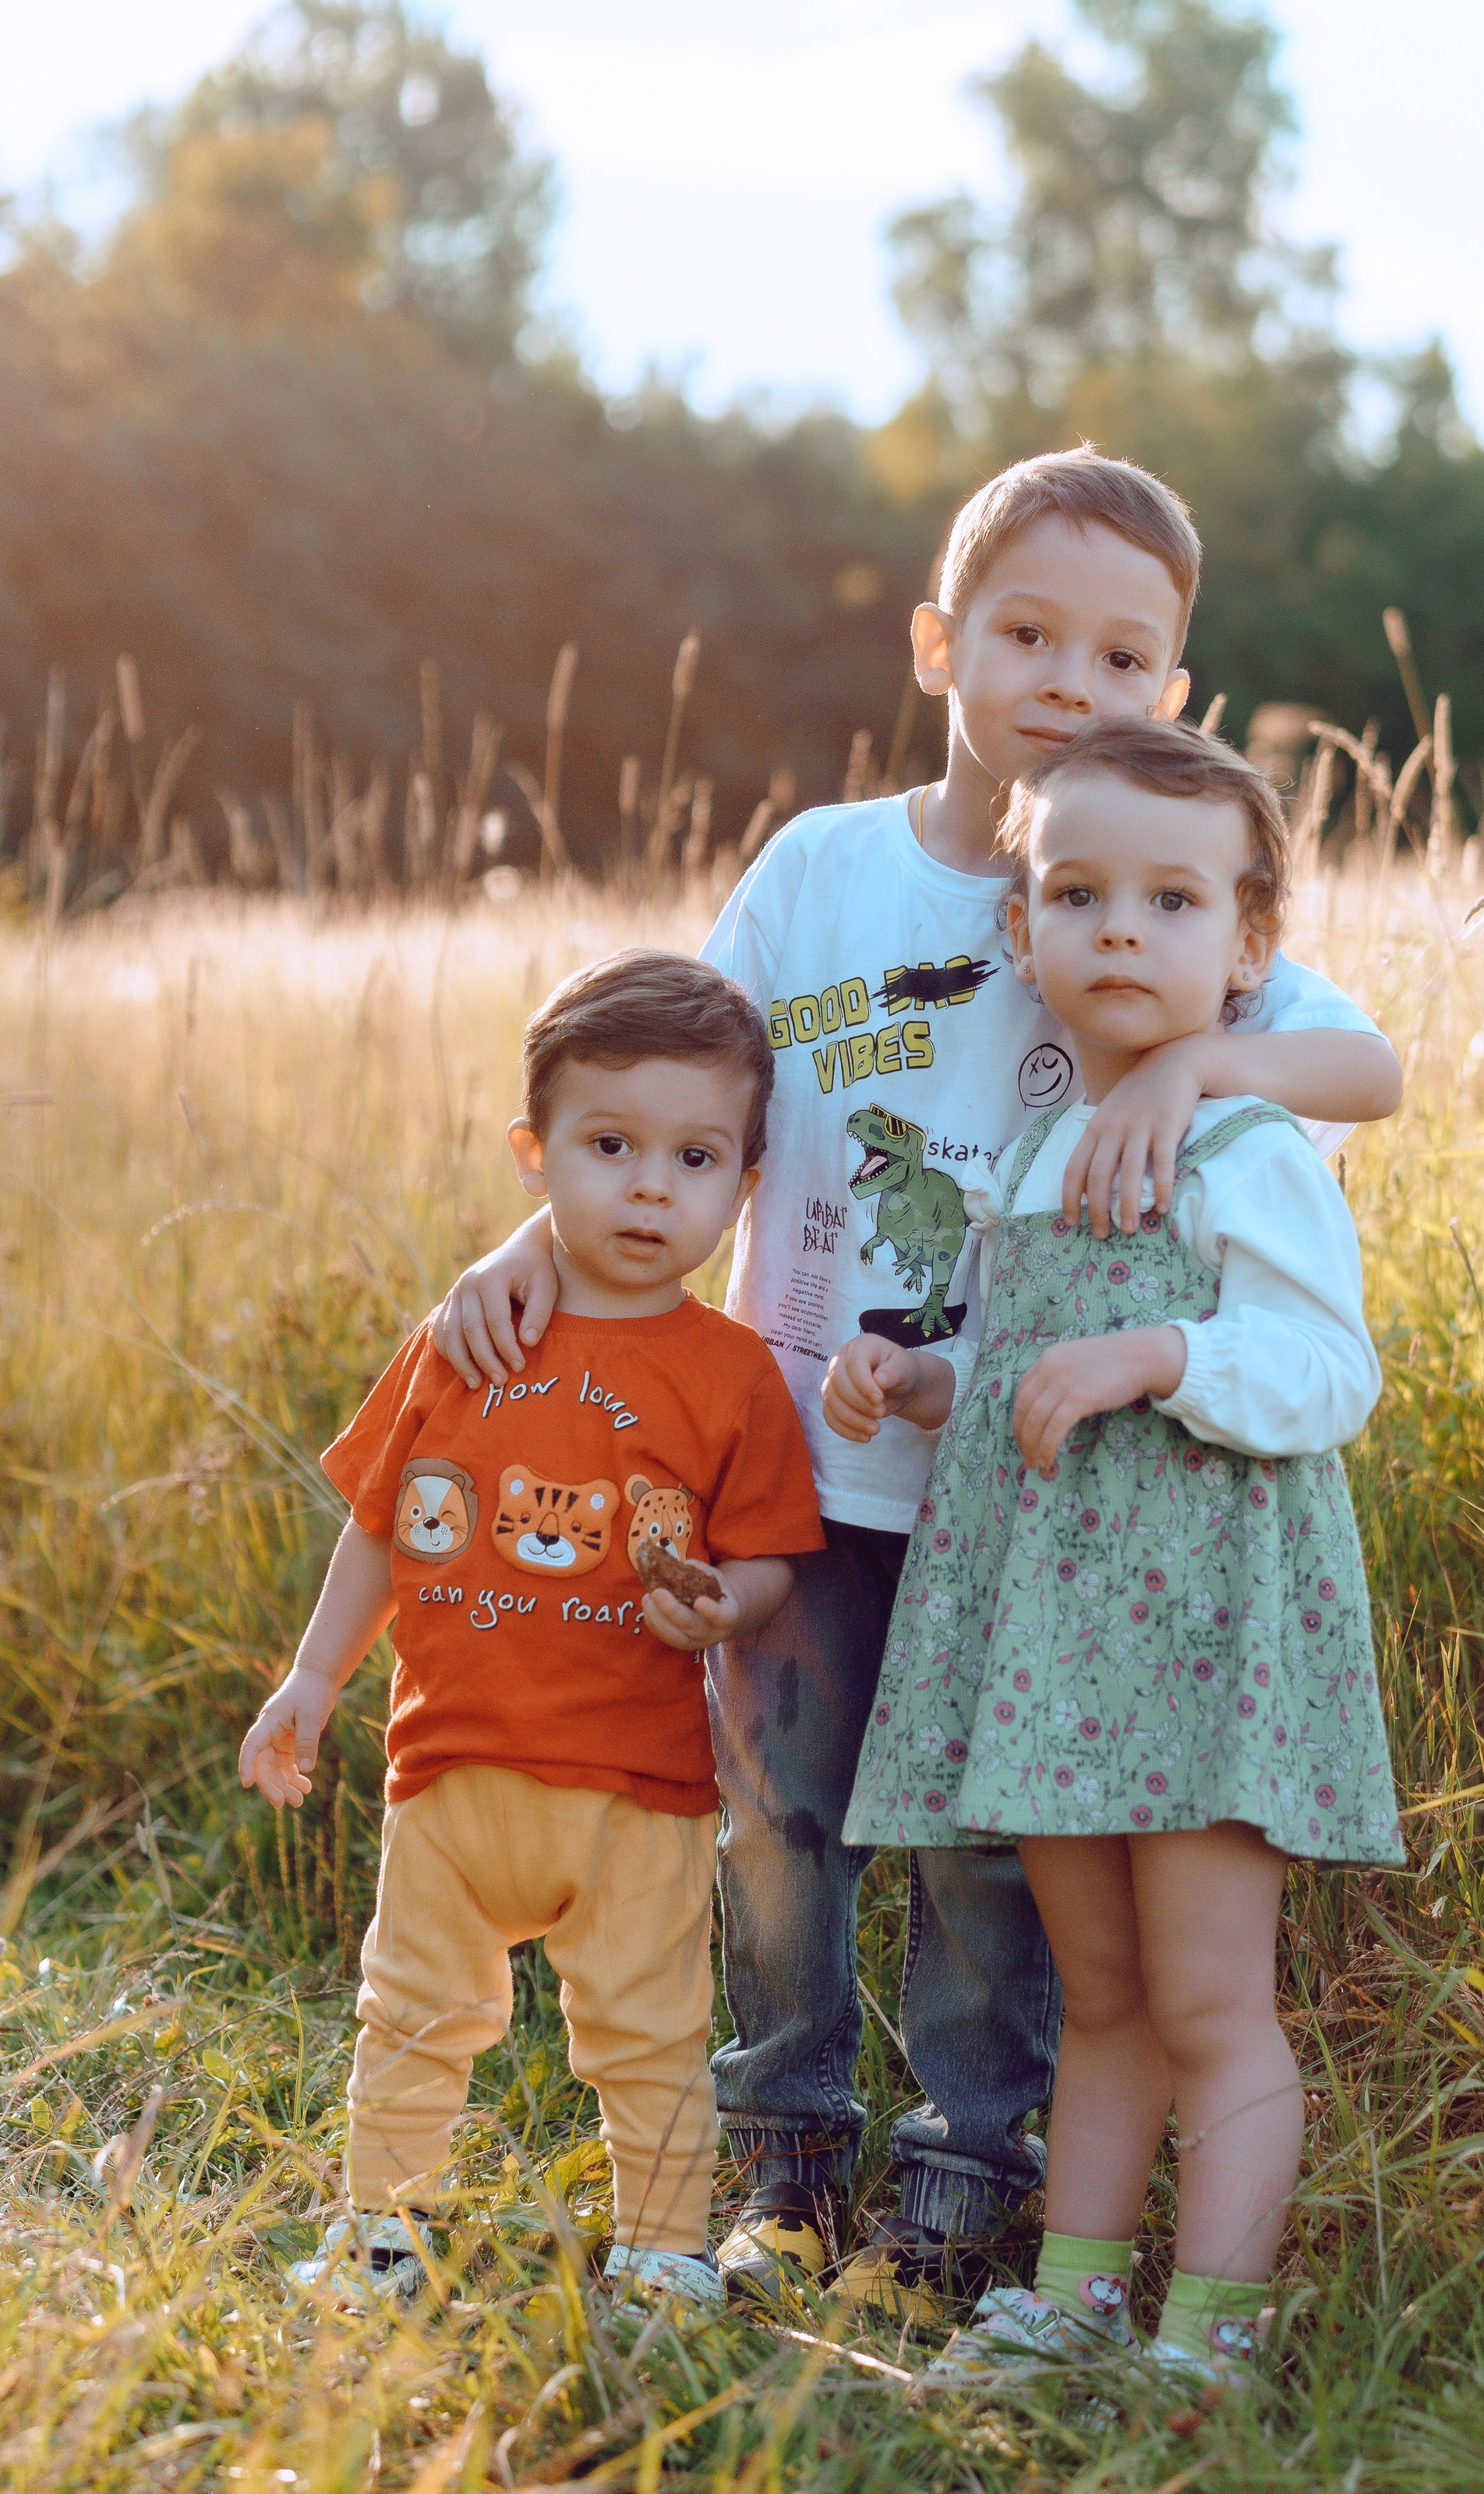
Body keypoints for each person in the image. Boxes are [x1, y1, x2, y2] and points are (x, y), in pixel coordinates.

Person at [430, 448, 1403, 2323]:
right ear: (938, 640)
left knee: (979, 1850)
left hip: (1014, 1503)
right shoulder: (828, 871)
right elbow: (675, 1088)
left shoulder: (1133, 882)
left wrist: (1185, 1080)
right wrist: (525, 1253)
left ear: (1173, 692)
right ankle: (781, 2161)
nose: (1072, 681)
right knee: (779, 1817)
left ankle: (964, 2182)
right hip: (790, 1464)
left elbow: (1364, 1068)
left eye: (1125, 657)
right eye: (1027, 633)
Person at [830, 716, 1402, 2379]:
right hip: (1058, 1651)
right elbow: (1027, 1368)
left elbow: (1323, 1370)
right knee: (1102, 1992)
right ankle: (1072, 2297)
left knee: (1209, 1994)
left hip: (1209, 1638)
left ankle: (1208, 2330)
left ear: (1246, 952)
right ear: (1022, 935)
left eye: (1169, 900)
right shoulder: (1024, 1153)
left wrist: (1158, 1355)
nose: (1120, 930)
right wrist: (925, 1378)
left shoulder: (1245, 1146)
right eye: (1077, 894)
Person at [238, 952, 824, 2309]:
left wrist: (724, 1606)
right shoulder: (470, 1335)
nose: (647, 1187)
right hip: (449, 1770)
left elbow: (773, 1559)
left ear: (743, 1187)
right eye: (610, 1146)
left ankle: (666, 2247)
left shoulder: (731, 1374)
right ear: (535, 1152)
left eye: (694, 1158)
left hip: (637, 1787)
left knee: (649, 2032)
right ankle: (382, 2231)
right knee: (412, 2015)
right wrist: (313, 1678)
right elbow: (382, 1522)